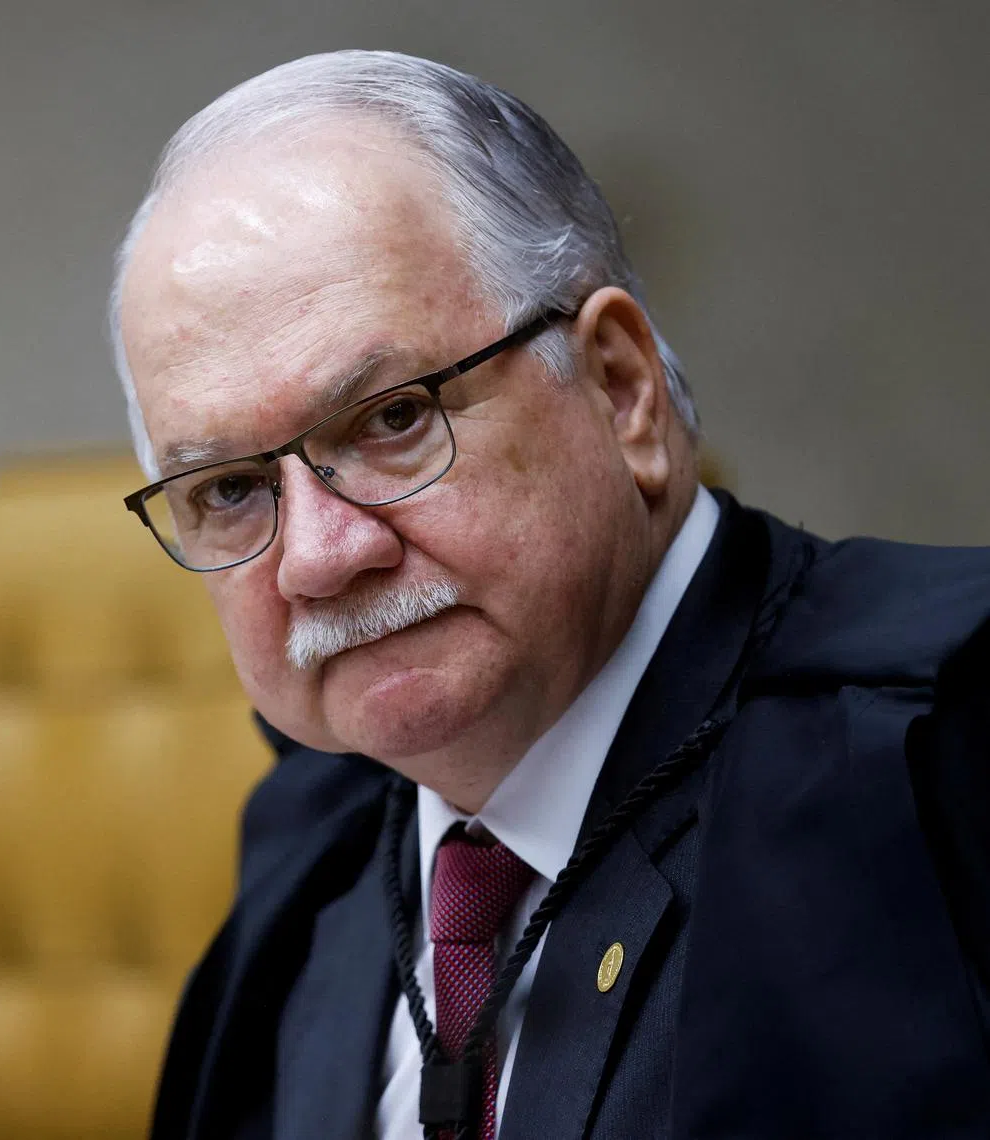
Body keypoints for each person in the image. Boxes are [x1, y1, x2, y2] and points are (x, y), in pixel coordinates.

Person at [110, 50, 990, 1140]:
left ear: (620, 388)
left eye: (393, 419)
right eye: (234, 489)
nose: (320, 559)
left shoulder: (948, 740)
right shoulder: (314, 845)